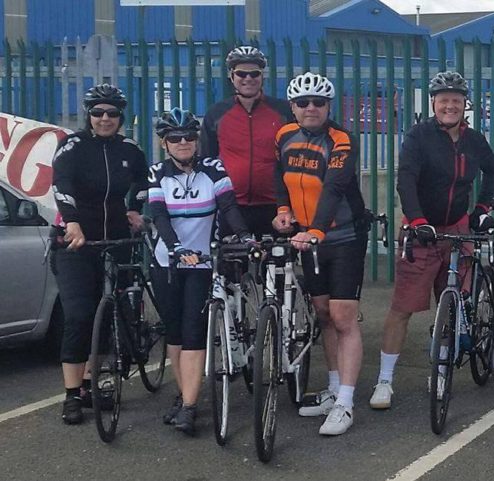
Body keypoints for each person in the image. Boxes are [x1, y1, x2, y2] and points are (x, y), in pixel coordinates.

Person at [370, 71, 494, 409]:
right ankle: (385, 379)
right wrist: (417, 221)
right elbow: (406, 180)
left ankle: (441, 368)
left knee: (454, 302)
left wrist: (484, 207)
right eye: (444, 100)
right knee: (402, 308)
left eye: (456, 100)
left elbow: (493, 170)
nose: (450, 106)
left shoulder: (474, 140)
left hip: (457, 228)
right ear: (433, 103)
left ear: (464, 105)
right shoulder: (419, 136)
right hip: (423, 229)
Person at [272, 72, 369, 435]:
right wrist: (283, 210)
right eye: (302, 102)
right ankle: (332, 388)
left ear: (329, 106)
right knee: (323, 314)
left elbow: (335, 186)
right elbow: (278, 174)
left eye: (318, 102)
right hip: (308, 240)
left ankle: (346, 401)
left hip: (342, 237)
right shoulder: (284, 136)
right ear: (293, 106)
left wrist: (316, 229)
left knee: (344, 318)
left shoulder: (341, 139)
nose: (310, 108)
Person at [148, 108, 252, 435]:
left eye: (189, 137)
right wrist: (176, 247)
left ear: (197, 140)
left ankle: (190, 406)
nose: (183, 143)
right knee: (175, 333)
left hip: (202, 263)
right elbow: (159, 216)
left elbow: (228, 206)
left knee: (194, 330)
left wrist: (244, 234)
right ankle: (183, 395)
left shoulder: (213, 169)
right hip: (166, 262)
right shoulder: (156, 174)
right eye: (174, 138)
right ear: (164, 143)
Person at [51, 84, 148, 425]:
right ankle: (72, 394)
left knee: (109, 315)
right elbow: (60, 185)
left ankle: (94, 383)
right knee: (79, 315)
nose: (105, 119)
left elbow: (143, 182)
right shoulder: (73, 146)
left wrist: (135, 209)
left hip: (117, 240)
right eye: (98, 113)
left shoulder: (130, 149)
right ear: (88, 116)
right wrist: (73, 224)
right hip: (77, 242)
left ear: (121, 117)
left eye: (112, 113)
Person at [200, 45, 292, 237]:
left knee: (278, 265)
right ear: (231, 76)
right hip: (231, 206)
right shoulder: (217, 113)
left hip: (275, 206)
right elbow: (206, 160)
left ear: (262, 76)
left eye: (254, 73)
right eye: (241, 73)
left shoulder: (283, 111)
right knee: (231, 264)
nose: (248, 79)